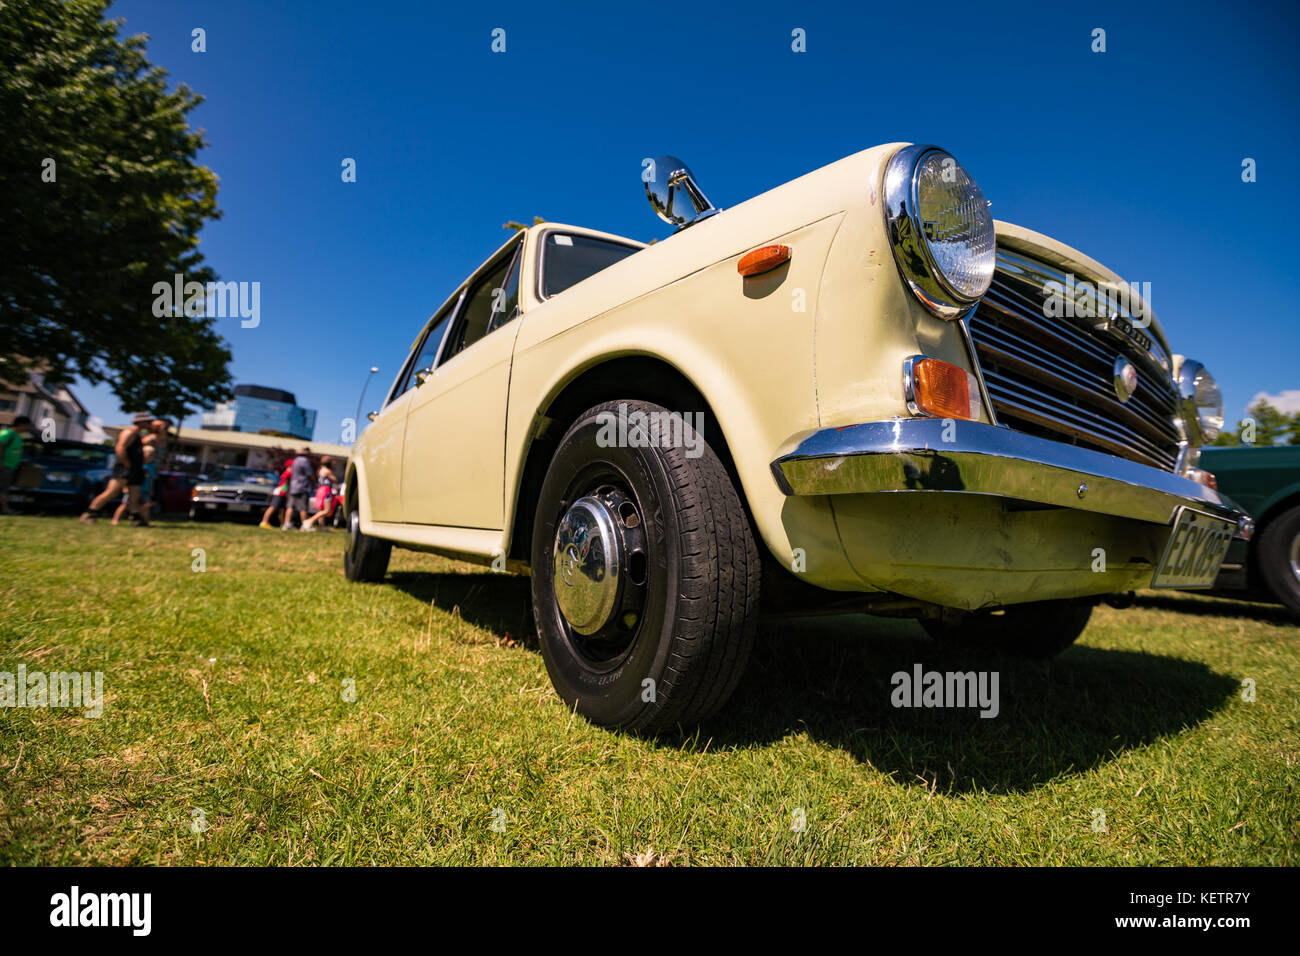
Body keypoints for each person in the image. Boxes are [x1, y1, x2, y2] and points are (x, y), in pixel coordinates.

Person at [82, 412, 150, 526]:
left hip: (135, 469)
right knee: (112, 492)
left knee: (134, 495)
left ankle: (136, 519)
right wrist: (126, 464)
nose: (149, 424)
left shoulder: (138, 435)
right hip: (124, 468)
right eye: (148, 421)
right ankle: (89, 513)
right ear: (140, 422)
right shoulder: (128, 433)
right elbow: (120, 448)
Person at [111, 438, 157, 525]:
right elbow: (128, 477)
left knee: (146, 506)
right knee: (125, 505)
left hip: (145, 490)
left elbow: (152, 479)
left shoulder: (152, 466)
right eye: (148, 454)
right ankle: (115, 519)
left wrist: (151, 489)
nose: (149, 456)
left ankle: (145, 522)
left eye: (152, 455)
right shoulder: (137, 464)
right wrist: (125, 487)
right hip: (132, 488)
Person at [0, 415, 33, 515]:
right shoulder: (8, 433)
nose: (29, 428)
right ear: (21, 424)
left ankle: (5, 509)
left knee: (4, 488)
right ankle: (5, 509)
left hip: (9, 466)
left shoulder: (17, 437)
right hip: (4, 466)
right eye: (28, 425)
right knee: (2, 488)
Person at [300, 456, 340, 531]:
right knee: (326, 510)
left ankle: (323, 527)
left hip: (321, 490)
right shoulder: (327, 471)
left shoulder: (320, 470)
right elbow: (335, 480)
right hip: (326, 490)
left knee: (322, 510)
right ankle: (309, 521)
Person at [282, 447, 315, 530]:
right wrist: (314, 481)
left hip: (293, 486)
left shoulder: (295, 461)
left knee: (290, 506)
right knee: (303, 507)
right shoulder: (305, 461)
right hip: (303, 486)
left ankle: (287, 523)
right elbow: (310, 474)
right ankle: (305, 525)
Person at [260, 458, 294, 529]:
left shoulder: (286, 472)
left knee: (282, 509)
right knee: (273, 507)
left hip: (281, 492)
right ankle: (264, 522)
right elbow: (285, 485)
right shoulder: (288, 473)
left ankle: (284, 523)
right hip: (280, 492)